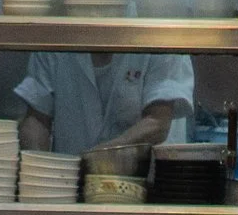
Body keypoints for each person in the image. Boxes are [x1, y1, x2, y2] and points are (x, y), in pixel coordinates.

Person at [15, 51, 193, 155]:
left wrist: (96, 159)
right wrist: (39, 172)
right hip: (73, 191)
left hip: (151, 190)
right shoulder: (58, 31)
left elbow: (158, 122)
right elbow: (36, 118)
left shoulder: (154, 21)